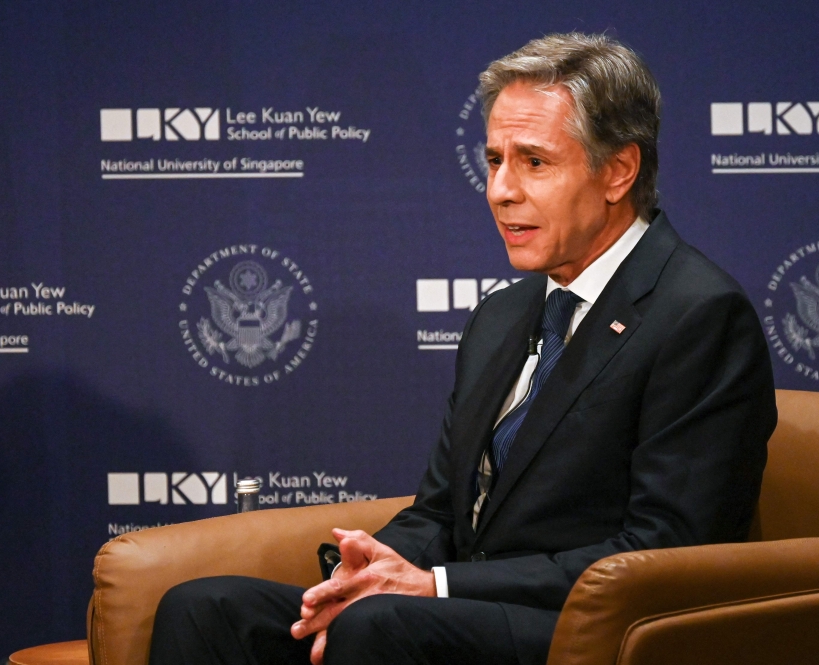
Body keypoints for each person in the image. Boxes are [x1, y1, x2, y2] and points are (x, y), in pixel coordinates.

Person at [148, 32, 777, 665]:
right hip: (452, 611)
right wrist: (364, 568)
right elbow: (442, 510)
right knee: (205, 610)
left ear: (618, 170)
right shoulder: (502, 316)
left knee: (382, 626)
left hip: (590, 633)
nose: (500, 190)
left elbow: (666, 551)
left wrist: (436, 586)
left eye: (533, 162)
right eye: (495, 159)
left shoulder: (697, 314)